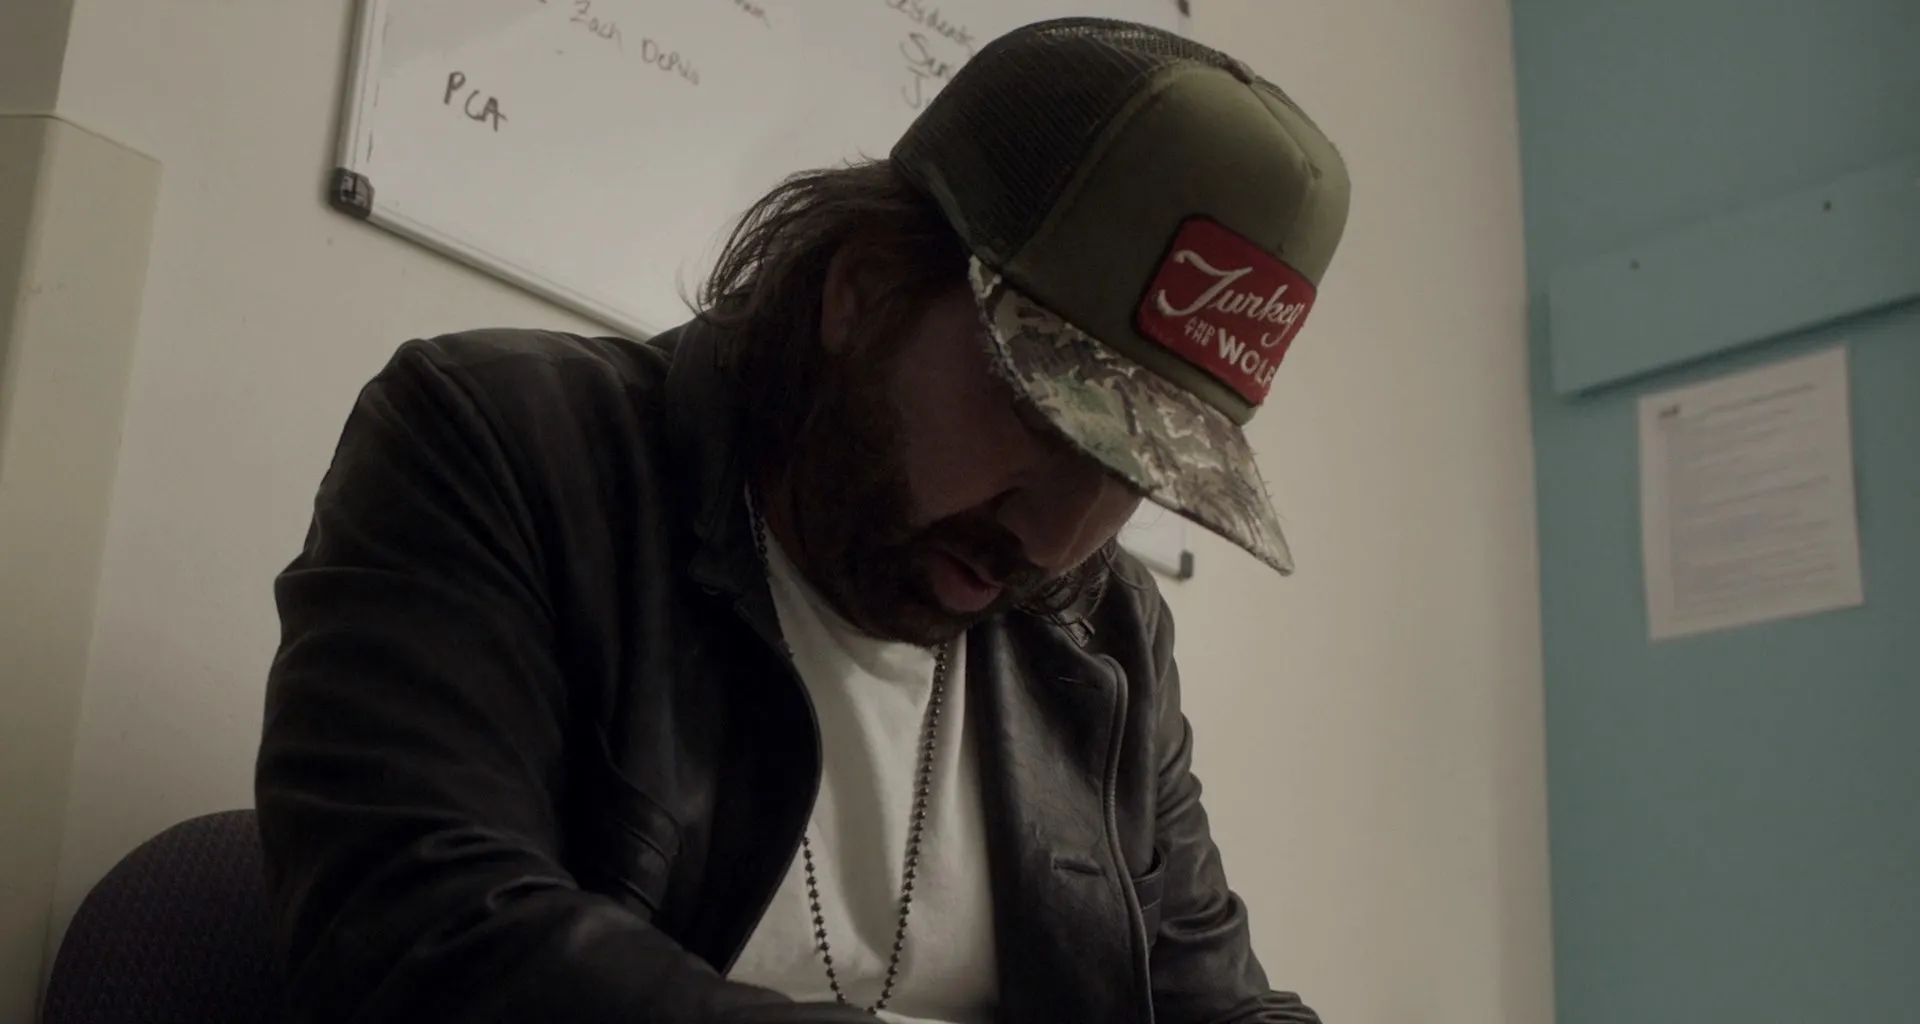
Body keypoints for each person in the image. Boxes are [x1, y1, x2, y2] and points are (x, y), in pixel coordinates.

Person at [256, 16, 1349, 1024]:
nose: (1060, 541)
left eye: (1139, 473)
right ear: (862, 291)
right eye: (1044, 417)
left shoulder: (1105, 634)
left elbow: (1216, 1001)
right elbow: (413, 934)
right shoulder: (502, 448)